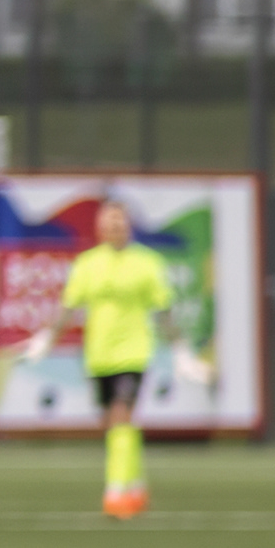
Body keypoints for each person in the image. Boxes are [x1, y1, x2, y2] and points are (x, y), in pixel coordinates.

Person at [60, 202, 189, 519]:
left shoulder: (147, 263)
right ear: (99, 228)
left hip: (133, 353)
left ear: (129, 226)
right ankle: (136, 486)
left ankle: (116, 492)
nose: (115, 228)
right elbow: (69, 306)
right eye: (109, 223)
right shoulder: (87, 264)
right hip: (98, 355)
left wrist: (180, 349)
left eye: (120, 222)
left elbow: (163, 309)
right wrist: (45, 339)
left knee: (121, 416)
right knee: (113, 424)